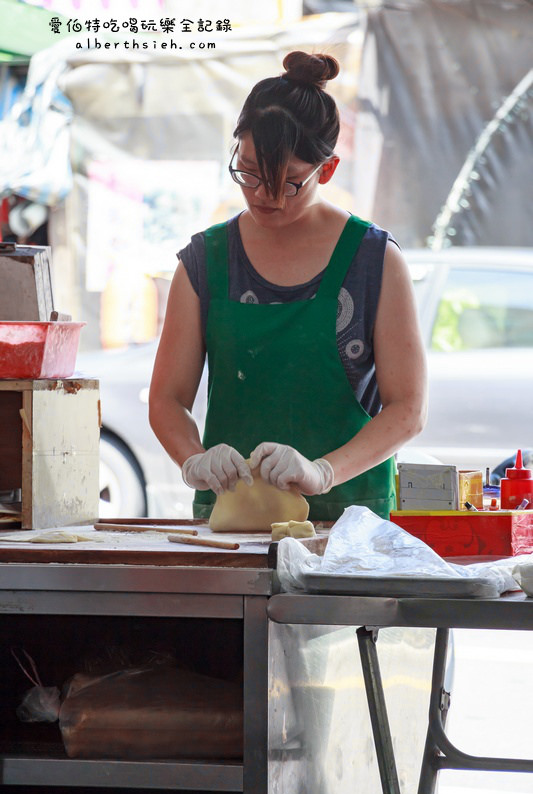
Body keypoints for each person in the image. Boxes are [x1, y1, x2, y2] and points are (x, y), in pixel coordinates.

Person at [149, 50, 427, 521]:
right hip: (232, 528)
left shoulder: (375, 261)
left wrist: (323, 472)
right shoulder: (205, 261)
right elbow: (167, 400)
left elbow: (408, 410)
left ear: (328, 170)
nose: (263, 195)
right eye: (250, 171)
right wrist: (193, 459)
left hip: (349, 529)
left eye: (289, 181)